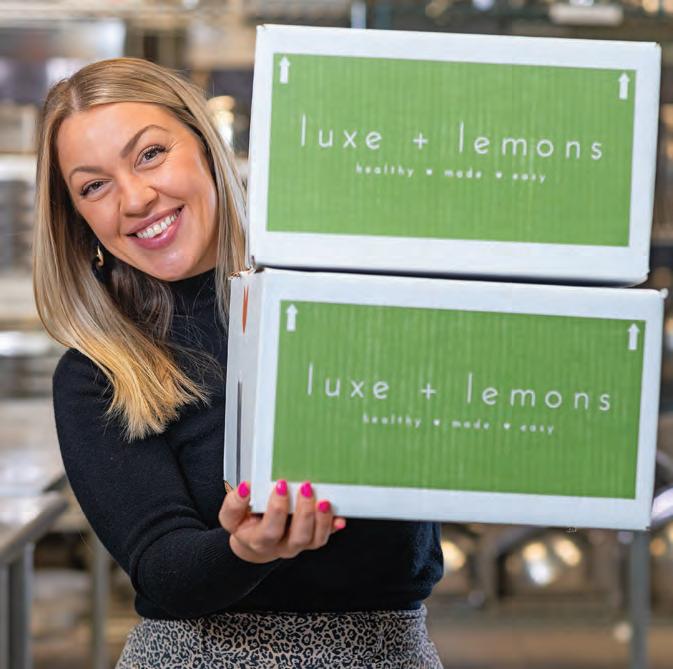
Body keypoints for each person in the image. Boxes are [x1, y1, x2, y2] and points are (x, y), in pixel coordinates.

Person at [33, 57, 444, 668]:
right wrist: (244, 549)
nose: (136, 198)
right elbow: (163, 569)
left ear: (207, 145)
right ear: (78, 218)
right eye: (94, 186)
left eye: (150, 154)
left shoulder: (347, 302)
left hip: (388, 653)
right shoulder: (97, 375)